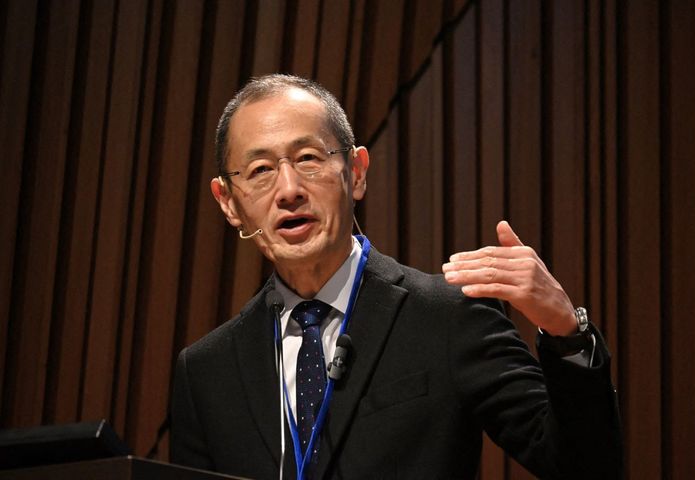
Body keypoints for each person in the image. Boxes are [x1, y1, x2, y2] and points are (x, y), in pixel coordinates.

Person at [170, 74, 622, 479]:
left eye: (308, 158)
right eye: (260, 170)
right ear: (229, 202)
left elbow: (585, 468)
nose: (289, 190)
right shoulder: (207, 371)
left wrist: (567, 333)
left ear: (356, 173)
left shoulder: (448, 317)